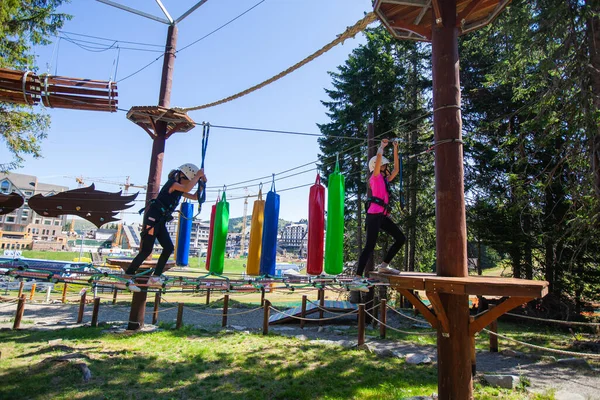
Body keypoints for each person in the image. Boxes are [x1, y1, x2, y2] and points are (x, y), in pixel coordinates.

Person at [125, 163, 207, 291]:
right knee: (146, 250)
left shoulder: (179, 189)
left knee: (168, 247)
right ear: (181, 176)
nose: (188, 183)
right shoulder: (173, 184)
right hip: (153, 219)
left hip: (159, 220)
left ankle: (155, 277)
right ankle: (127, 276)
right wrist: (198, 177)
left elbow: (195, 196)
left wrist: (201, 184)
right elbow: (187, 190)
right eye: (187, 180)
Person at [353, 139, 406, 286]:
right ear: (379, 166)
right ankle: (357, 277)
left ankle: (384, 266)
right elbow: (377, 163)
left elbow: (396, 169)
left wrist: (395, 148)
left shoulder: (385, 179)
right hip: (373, 216)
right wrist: (381, 147)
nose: (387, 167)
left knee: (401, 238)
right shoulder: (375, 177)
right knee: (369, 246)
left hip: (381, 216)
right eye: (385, 165)